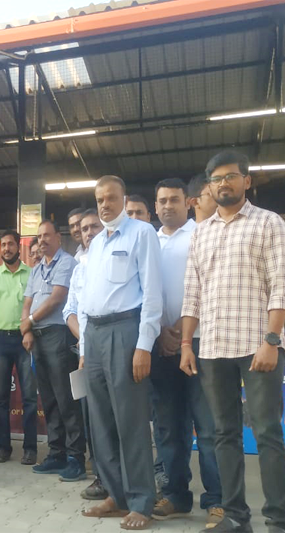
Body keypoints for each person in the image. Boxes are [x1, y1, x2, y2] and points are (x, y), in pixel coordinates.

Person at [181, 151, 285, 533]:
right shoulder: (201, 232)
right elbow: (192, 293)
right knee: (223, 433)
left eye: (230, 176)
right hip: (213, 348)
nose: (223, 183)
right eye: (216, 178)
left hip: (259, 346)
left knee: (267, 432)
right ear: (209, 187)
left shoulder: (269, 223)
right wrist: (187, 344)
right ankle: (236, 516)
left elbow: (281, 285)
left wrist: (272, 340)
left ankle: (278, 519)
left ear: (247, 181)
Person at [78, 175, 162, 531]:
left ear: (124, 199)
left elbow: (153, 293)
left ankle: (142, 501)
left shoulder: (142, 234)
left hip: (125, 332)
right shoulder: (96, 243)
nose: (105, 204)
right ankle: (116, 494)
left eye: (111, 198)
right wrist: (84, 348)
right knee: (101, 421)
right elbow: (87, 298)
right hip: (94, 336)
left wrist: (144, 345)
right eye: (100, 199)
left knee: (130, 420)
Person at [150, 177, 222, 527]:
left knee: (207, 426)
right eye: (162, 201)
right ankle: (175, 495)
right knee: (168, 426)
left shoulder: (201, 234)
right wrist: (161, 331)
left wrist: (180, 330)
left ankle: (218, 500)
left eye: (174, 200)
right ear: (155, 206)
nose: (168, 206)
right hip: (161, 344)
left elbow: (209, 285)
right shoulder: (150, 240)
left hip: (198, 342)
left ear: (188, 203)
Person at [20, 220, 84, 482]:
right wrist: (27, 330)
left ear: (58, 237)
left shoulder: (66, 263)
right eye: (39, 236)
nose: (43, 240)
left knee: (66, 399)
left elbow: (57, 298)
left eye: (47, 235)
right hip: (37, 339)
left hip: (58, 335)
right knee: (48, 400)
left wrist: (30, 321)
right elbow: (27, 302)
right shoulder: (36, 269)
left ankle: (76, 458)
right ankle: (56, 454)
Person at [62, 208, 109, 501]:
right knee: (94, 417)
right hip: (87, 353)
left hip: (115, 349)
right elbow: (70, 310)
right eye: (84, 229)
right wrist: (85, 340)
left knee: (117, 417)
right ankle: (102, 478)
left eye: (95, 227)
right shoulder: (79, 268)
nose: (89, 232)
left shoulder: (117, 261)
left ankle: (126, 480)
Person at [0, 229, 38, 465]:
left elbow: (37, 307)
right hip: (1, 340)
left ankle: (30, 449)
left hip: (25, 339)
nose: (7, 248)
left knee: (30, 398)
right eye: (3, 245)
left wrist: (31, 332)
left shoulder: (31, 274)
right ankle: (3, 448)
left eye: (11, 244)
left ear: (18, 247)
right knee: (1, 398)